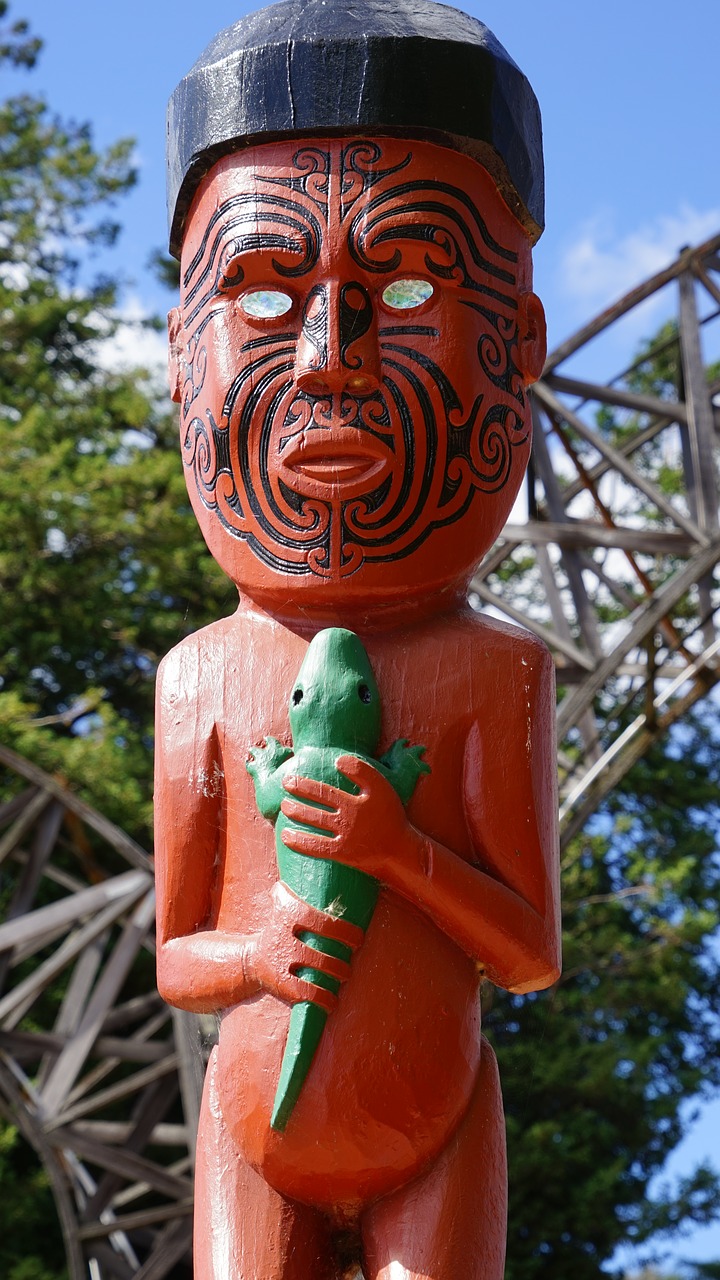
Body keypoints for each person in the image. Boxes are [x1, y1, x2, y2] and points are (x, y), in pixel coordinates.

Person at [155, 4, 561, 1277]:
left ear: (524, 344)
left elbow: (529, 951)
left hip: (439, 1126)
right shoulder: (202, 675)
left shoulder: (497, 669)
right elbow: (178, 952)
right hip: (247, 1131)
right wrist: (254, 947)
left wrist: (400, 852)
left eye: (403, 285)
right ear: (182, 355)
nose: (333, 358)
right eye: (267, 295)